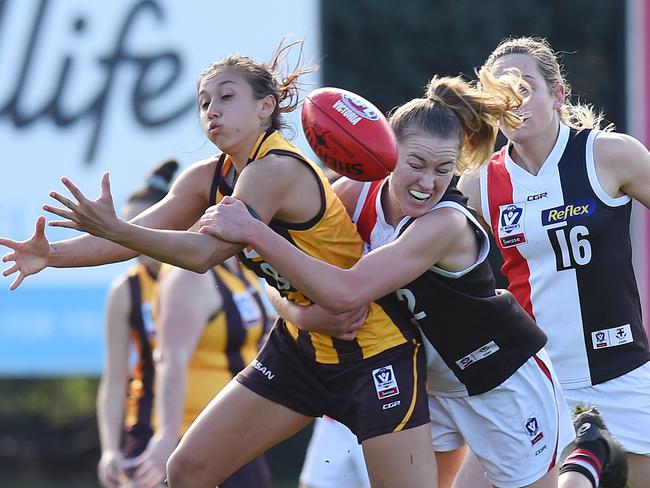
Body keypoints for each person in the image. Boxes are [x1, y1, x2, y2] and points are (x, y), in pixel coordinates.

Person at [0, 40, 437, 488]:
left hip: (373, 350)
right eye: (204, 102)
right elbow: (135, 240)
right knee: (187, 470)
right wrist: (51, 255)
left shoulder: (276, 169)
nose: (212, 110)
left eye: (227, 97)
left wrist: (118, 229)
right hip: (301, 347)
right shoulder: (206, 177)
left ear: (266, 107)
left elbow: (203, 254)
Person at [200, 70, 584, 488]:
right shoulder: (351, 195)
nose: (427, 183)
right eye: (415, 164)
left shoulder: (446, 225)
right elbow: (277, 276)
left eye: (443, 170)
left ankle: (589, 462)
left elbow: (344, 292)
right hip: (427, 384)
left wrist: (254, 229)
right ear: (386, 153)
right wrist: (301, 315)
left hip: (500, 383)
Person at [457, 36, 650, 488]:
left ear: (558, 94)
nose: (514, 102)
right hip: (533, 384)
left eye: (526, 88)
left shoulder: (610, 153)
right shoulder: (480, 184)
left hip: (621, 375)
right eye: (501, 92)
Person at [131, 256, 273, 488]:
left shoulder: (240, 267)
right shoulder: (188, 274)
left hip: (238, 430)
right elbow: (171, 358)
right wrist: (167, 436)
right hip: (196, 436)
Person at [97, 159, 178, 488]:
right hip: (147, 431)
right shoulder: (126, 289)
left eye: (138, 226)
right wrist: (110, 450)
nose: (129, 238)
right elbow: (115, 380)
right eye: (123, 227)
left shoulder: (209, 274)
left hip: (213, 422)